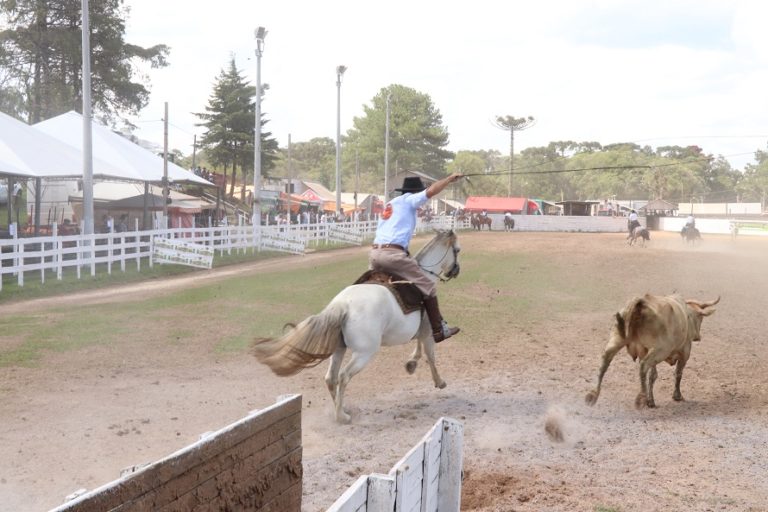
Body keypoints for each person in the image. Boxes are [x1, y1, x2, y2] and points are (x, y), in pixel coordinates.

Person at [370, 173, 464, 342]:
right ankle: (439, 329)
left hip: (375, 254)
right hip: (392, 255)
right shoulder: (409, 200)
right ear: (414, 192)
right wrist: (449, 179)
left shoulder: (391, 204)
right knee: (428, 286)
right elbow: (431, 191)